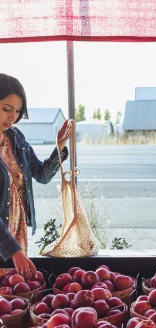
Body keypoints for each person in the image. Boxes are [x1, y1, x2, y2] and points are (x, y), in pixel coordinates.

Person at [0, 73, 72, 280]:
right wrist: (12, 250)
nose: (13, 117)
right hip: (7, 243)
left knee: (14, 298)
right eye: (6, 109)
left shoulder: (15, 137)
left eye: (18, 111)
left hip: (15, 237)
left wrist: (59, 148)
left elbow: (41, 174)